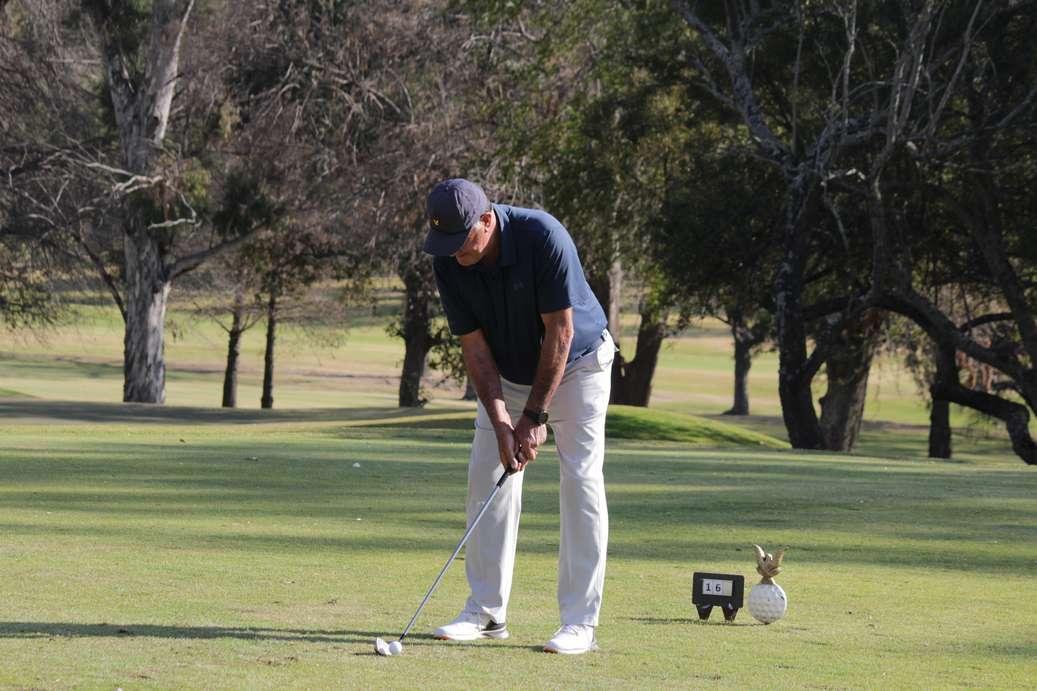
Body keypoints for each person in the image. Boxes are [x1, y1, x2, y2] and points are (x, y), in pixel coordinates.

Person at [423, 178, 614, 655]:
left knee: (581, 479)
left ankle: (580, 623)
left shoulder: (542, 236)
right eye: (445, 243)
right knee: (487, 472)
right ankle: (486, 612)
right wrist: (501, 422)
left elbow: (561, 333)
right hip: (507, 372)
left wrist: (534, 416)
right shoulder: (448, 258)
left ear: (487, 221)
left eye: (461, 240)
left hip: (578, 364)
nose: (454, 253)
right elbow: (475, 350)